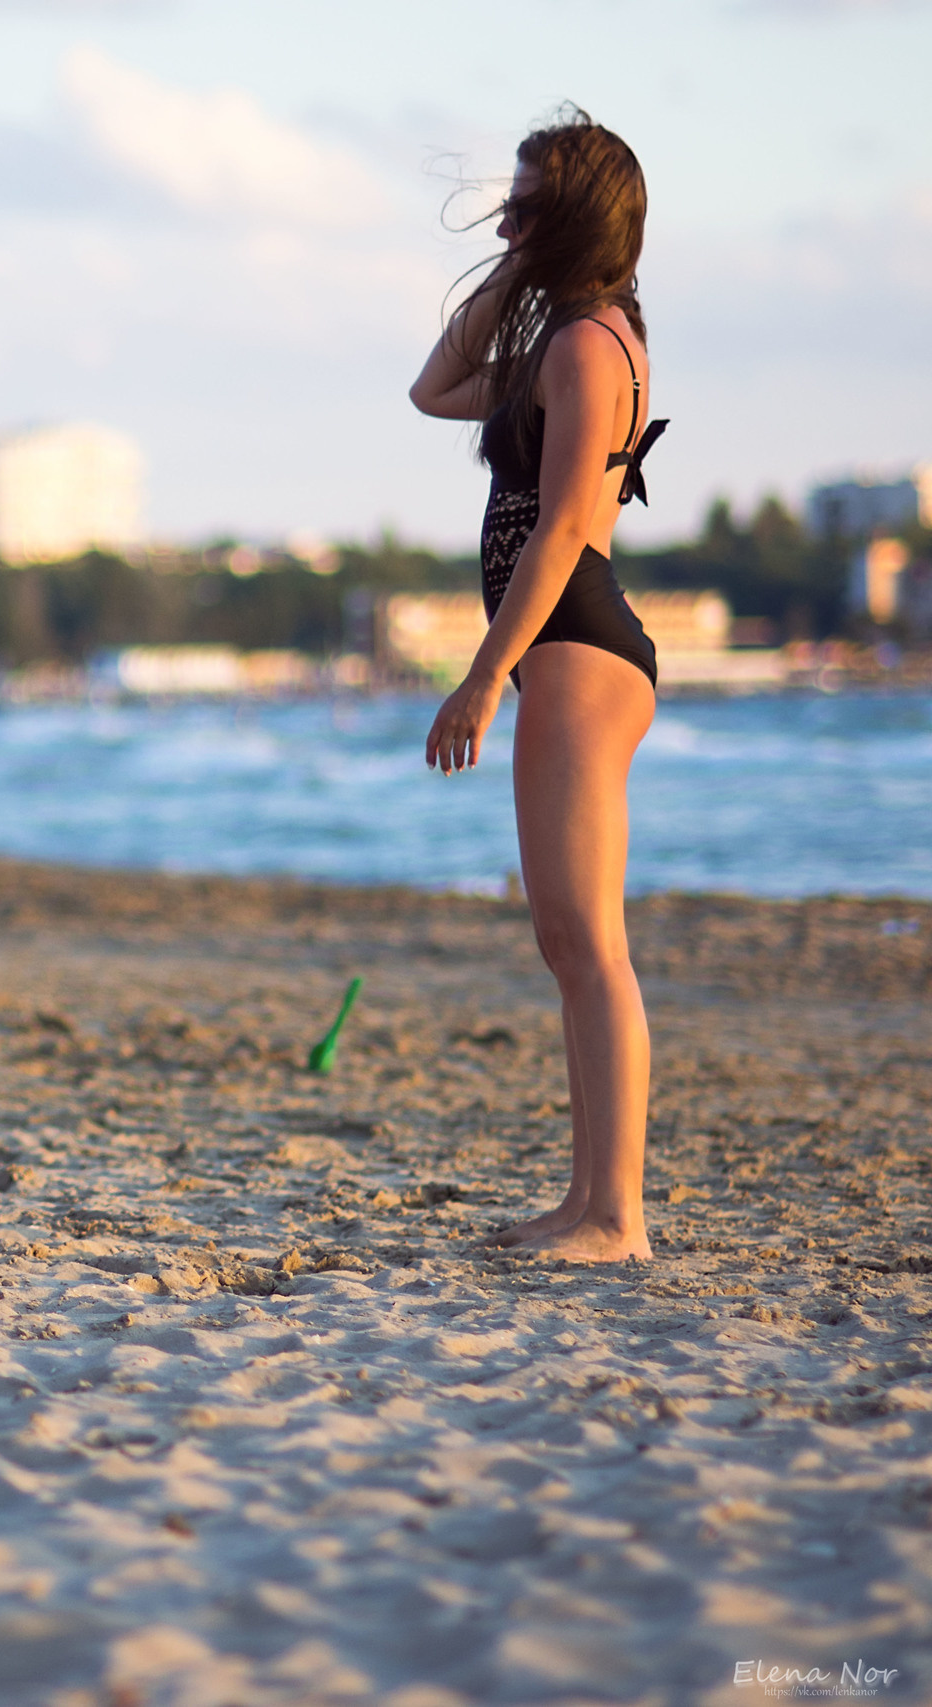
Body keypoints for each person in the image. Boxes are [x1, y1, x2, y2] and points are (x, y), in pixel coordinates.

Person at [408, 109, 667, 1263]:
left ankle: (615, 1217)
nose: (505, 223)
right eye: (506, 207)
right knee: (568, 942)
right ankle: (584, 1201)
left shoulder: (586, 347)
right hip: (564, 653)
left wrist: (479, 678)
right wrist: (515, 265)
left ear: (575, 219)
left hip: (574, 647)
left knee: (588, 943)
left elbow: (563, 528)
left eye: (525, 208)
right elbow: (434, 387)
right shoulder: (570, 338)